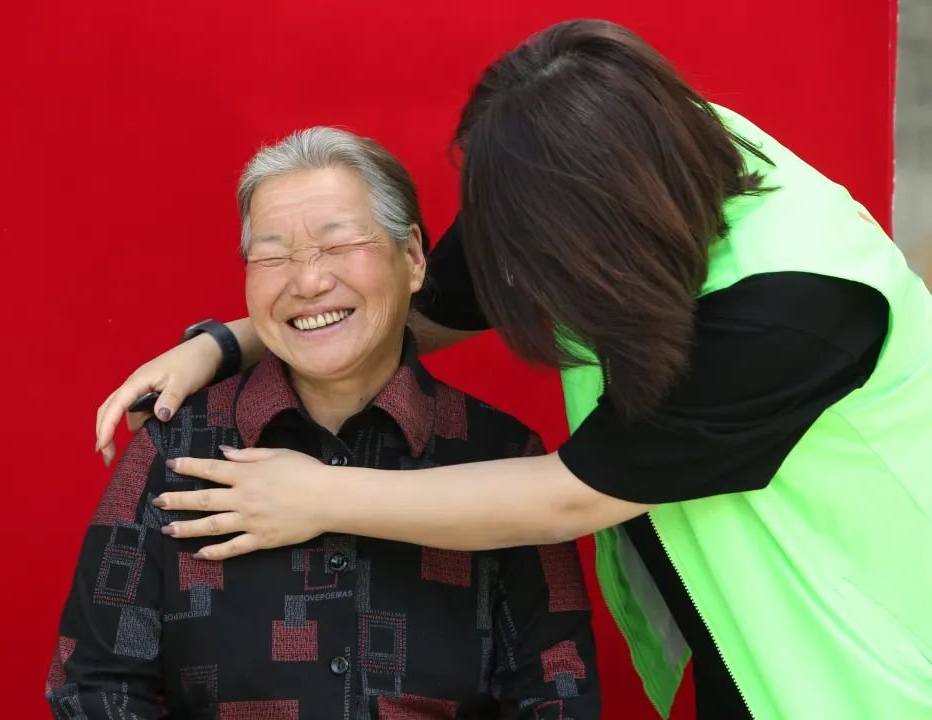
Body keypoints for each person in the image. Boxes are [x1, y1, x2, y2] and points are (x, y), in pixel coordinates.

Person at [91, 20, 932, 720]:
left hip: (859, 659)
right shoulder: (621, 151)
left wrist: (314, 495)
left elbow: (571, 496)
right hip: (738, 633)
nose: (511, 276)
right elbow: (406, 303)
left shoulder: (794, 305)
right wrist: (225, 342)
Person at [48, 127, 601, 720]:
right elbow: (95, 689)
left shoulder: (502, 455)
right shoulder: (178, 448)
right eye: (273, 254)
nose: (307, 282)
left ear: (413, 258)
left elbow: (555, 694)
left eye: (338, 246)